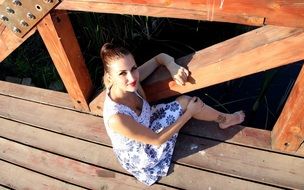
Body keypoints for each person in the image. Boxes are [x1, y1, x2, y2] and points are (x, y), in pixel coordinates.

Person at [101, 43, 245, 185]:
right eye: (122, 73)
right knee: (190, 105)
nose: (132, 78)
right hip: (142, 152)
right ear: (110, 77)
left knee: (186, 101)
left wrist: (172, 66)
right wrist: (188, 114)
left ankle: (225, 119)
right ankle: (227, 118)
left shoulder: (129, 82)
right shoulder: (116, 118)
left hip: (146, 122)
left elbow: (159, 58)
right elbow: (157, 140)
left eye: (133, 68)